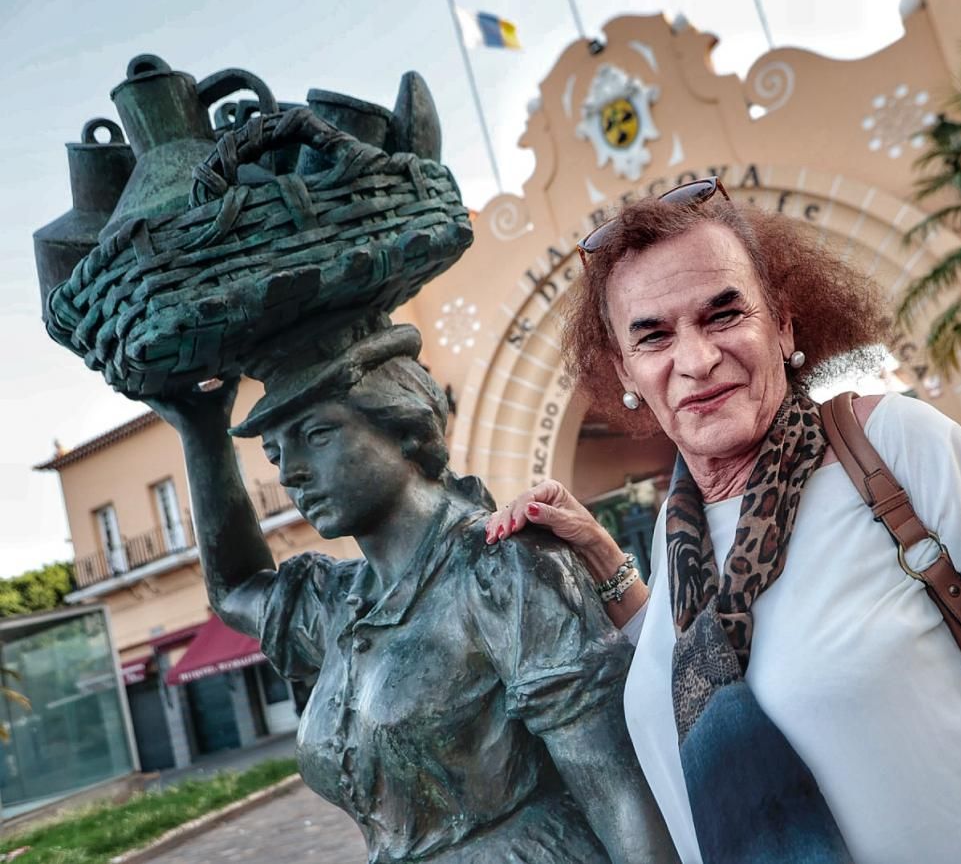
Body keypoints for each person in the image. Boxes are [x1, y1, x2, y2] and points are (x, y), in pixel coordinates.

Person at [485, 178, 961, 864]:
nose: (695, 358)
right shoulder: (677, 527)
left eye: (724, 315)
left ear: (784, 328)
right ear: (624, 372)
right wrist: (598, 552)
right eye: (653, 334)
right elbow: (718, 659)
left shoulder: (890, 448)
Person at [148, 312, 675, 864]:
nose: (290, 473)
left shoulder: (502, 568)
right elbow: (233, 590)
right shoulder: (337, 603)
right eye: (276, 453)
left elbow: (619, 792)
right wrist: (201, 431)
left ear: (402, 426)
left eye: (316, 435)